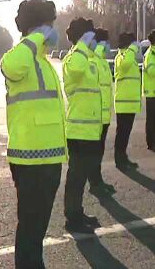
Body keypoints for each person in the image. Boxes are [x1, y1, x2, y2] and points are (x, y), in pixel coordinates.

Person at [0, 0, 67, 269]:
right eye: (50, 24)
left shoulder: (43, 62)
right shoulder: (21, 56)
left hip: (49, 158)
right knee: (30, 227)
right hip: (30, 161)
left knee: (37, 228)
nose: (54, 30)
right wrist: (37, 35)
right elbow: (11, 66)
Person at [62, 17, 102, 234]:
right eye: (91, 36)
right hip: (78, 129)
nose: (94, 40)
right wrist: (82, 46)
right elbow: (77, 71)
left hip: (89, 129)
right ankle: (72, 219)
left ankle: (77, 212)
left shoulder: (86, 57)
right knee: (76, 177)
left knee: (81, 176)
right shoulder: (74, 58)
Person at [87, 27, 117, 196]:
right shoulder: (93, 59)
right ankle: (95, 183)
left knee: (99, 151)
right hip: (96, 115)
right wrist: (99, 47)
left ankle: (98, 181)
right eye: (106, 42)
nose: (108, 46)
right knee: (95, 152)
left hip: (104, 114)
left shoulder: (102, 61)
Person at [113, 32, 141, 171]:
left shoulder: (129, 57)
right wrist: (132, 49)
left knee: (125, 134)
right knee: (122, 134)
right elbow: (125, 65)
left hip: (130, 103)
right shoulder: (122, 56)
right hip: (124, 103)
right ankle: (119, 160)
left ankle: (123, 157)